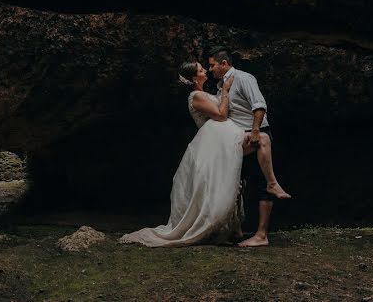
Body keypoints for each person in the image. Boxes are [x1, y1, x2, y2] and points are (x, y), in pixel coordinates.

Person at [119, 60, 287, 247]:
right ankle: (270, 186)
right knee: (258, 144)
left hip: (224, 138)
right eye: (201, 69)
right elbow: (222, 115)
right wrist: (225, 90)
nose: (205, 70)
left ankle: (235, 226)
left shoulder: (206, 93)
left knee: (234, 178)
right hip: (214, 142)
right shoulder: (196, 96)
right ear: (193, 77)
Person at [208, 49, 289, 248]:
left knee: (262, 183)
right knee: (236, 183)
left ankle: (261, 235)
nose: (210, 69)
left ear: (224, 63)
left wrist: (255, 131)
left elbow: (259, 105)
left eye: (212, 65)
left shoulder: (243, 78)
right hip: (238, 139)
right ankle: (235, 229)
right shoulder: (221, 87)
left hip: (254, 135)